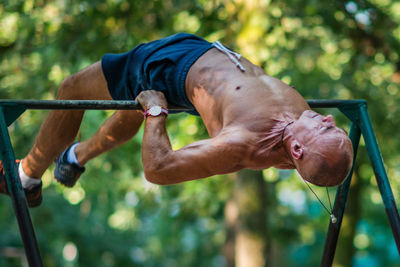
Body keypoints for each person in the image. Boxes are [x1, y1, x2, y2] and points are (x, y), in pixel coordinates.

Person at [0, 33, 353, 207]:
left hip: (168, 69)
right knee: (128, 111)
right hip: (202, 53)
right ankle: (75, 158)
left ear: (295, 148)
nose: (325, 117)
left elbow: (159, 169)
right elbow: (315, 160)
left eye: (324, 126)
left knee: (72, 88)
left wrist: (156, 111)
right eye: (332, 123)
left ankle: (26, 178)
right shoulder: (301, 137)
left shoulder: (241, 144)